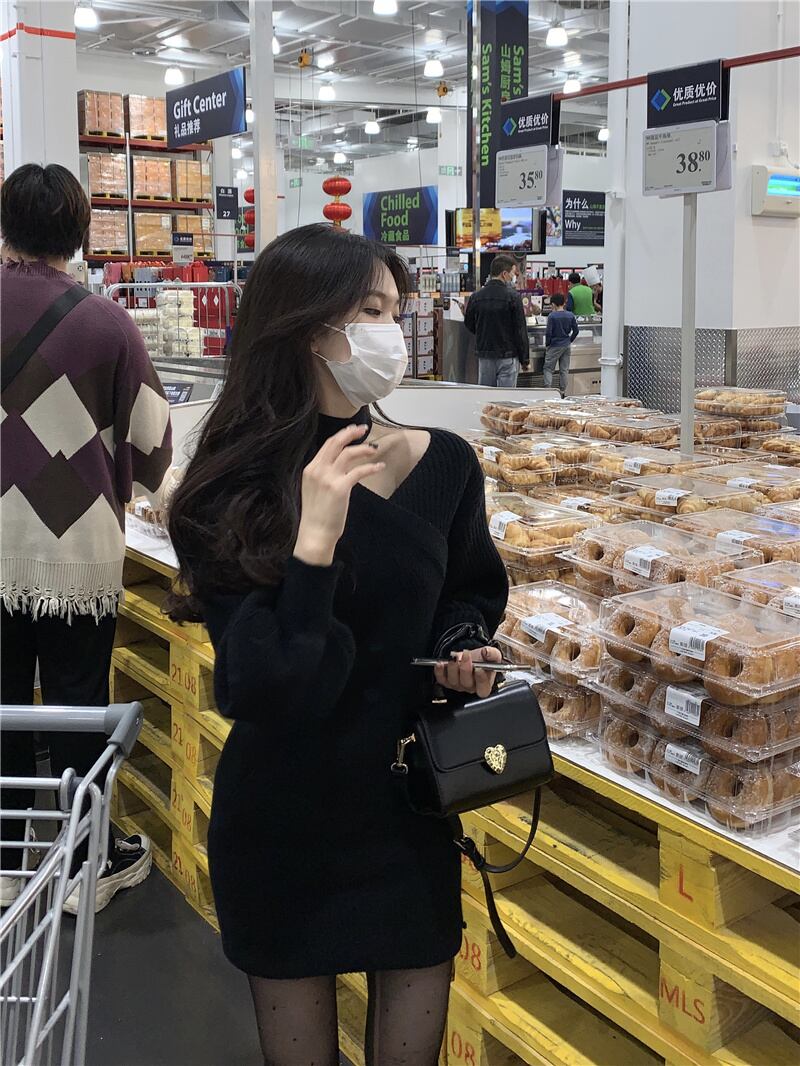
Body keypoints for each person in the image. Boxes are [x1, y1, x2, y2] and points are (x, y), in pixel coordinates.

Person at [166, 223, 508, 1066]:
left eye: (395, 308)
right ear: (310, 328)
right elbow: (264, 687)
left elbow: (468, 588)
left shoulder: (442, 464)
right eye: (371, 311)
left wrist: (465, 646)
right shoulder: (232, 488)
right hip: (285, 816)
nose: (394, 331)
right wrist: (314, 541)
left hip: (405, 805)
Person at [0, 164, 173, 911]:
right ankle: (83, 866)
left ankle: (4, 861)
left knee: (2, 704)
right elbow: (154, 445)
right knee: (77, 704)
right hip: (76, 551)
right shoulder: (107, 323)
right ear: (78, 232)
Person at [464, 254, 529, 387]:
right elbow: (520, 330)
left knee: (486, 394)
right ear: (504, 274)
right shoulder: (513, 297)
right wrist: (525, 359)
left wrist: (483, 332)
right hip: (508, 355)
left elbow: (469, 323)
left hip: (485, 354)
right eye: (512, 273)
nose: (513, 277)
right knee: (506, 397)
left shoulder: (476, 297)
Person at [544, 291, 580, 397]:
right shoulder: (570, 315)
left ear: (553, 304)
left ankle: (548, 391)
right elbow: (576, 331)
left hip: (555, 345)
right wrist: (569, 340)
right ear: (564, 303)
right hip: (566, 345)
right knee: (564, 370)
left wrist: (547, 344)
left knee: (548, 368)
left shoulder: (552, 316)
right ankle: (563, 392)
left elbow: (548, 333)